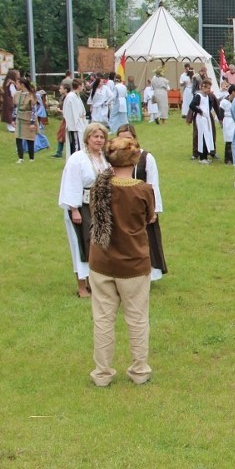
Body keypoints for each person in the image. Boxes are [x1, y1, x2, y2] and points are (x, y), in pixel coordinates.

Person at [87, 136, 156, 387]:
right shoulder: (143, 189)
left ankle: (102, 374)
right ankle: (139, 371)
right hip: (133, 263)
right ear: (135, 159)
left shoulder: (99, 186)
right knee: (137, 318)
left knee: (103, 319)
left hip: (101, 261)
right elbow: (150, 219)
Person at [59, 122, 110, 298]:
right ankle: (82, 286)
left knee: (99, 245)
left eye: (102, 137)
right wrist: (74, 209)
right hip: (82, 206)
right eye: (95, 136)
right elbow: (71, 184)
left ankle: (95, 283)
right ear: (87, 138)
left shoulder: (104, 158)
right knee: (81, 243)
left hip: (101, 206)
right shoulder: (77, 159)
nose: (99, 140)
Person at [116, 124, 167, 282]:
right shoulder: (114, 158)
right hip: (122, 207)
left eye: (129, 139)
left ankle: (148, 273)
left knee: (145, 240)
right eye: (122, 139)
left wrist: (154, 210)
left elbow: (153, 185)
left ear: (135, 139)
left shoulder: (146, 158)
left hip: (142, 207)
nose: (126, 143)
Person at [188, 79, 219, 164]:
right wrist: (200, 112)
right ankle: (202, 158)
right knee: (202, 136)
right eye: (208, 88)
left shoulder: (207, 96)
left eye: (210, 88)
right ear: (203, 87)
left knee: (207, 136)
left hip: (206, 118)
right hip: (201, 118)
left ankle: (205, 156)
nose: (209, 90)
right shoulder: (199, 95)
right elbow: (192, 105)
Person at [13, 78, 38, 163]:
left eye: (17, 84)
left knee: (29, 138)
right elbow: (15, 107)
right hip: (19, 118)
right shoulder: (17, 94)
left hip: (28, 118)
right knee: (18, 137)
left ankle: (31, 158)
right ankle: (20, 157)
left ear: (22, 85)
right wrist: (13, 119)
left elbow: (34, 109)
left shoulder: (31, 95)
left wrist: (32, 122)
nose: (16, 85)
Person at [218, 84, 235, 164]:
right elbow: (220, 113)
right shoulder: (224, 101)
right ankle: (228, 159)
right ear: (232, 92)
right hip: (228, 121)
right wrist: (221, 122)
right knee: (229, 139)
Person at [2, 68, 20, 132]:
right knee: (10, 113)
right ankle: (10, 127)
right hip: (10, 100)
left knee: (13, 113)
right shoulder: (9, 83)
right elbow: (11, 93)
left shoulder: (13, 83)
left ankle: (13, 126)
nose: (18, 75)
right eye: (17, 74)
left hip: (12, 99)